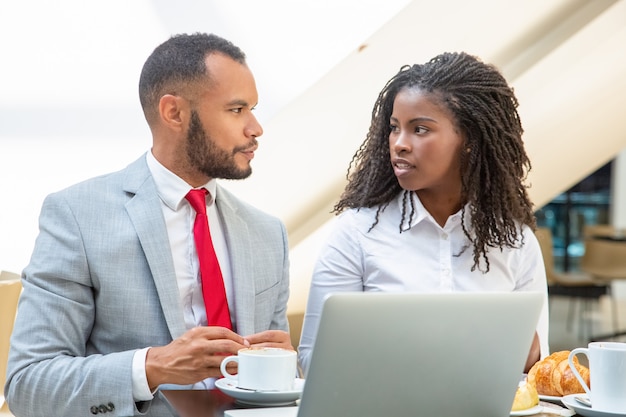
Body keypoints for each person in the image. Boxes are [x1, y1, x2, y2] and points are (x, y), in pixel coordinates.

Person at [5, 33, 292, 417]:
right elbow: (29, 386)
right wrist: (151, 368)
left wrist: (282, 369)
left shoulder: (267, 234)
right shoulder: (77, 217)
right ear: (174, 112)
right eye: (237, 110)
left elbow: (279, 393)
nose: (256, 128)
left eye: (253, 109)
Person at [298, 51, 549, 376]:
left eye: (419, 129)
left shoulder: (516, 241)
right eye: (394, 127)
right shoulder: (356, 233)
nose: (399, 143)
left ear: (469, 140)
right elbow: (312, 361)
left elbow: (538, 366)